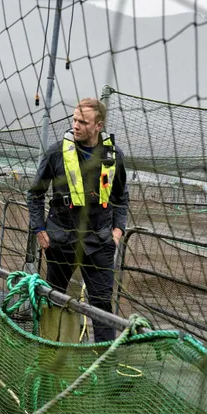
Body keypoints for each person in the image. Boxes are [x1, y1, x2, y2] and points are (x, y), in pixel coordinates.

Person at [27, 97, 129, 343]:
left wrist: (118, 231)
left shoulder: (113, 156)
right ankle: (50, 351)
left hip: (100, 242)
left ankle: (104, 366)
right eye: (74, 120)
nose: (76, 125)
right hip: (61, 240)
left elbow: (121, 197)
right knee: (55, 299)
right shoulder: (56, 152)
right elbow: (35, 194)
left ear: (99, 126)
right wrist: (40, 230)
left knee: (103, 307)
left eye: (83, 122)